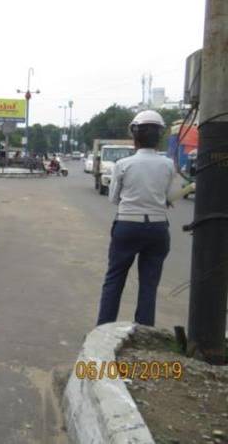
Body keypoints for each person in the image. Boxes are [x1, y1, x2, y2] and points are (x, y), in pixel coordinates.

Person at [96, 110, 175, 326]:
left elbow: (113, 198)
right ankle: (144, 333)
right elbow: (167, 196)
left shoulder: (123, 164)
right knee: (149, 284)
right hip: (158, 228)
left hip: (127, 226)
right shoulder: (168, 164)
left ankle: (103, 328)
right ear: (159, 136)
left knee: (114, 279)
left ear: (135, 134)